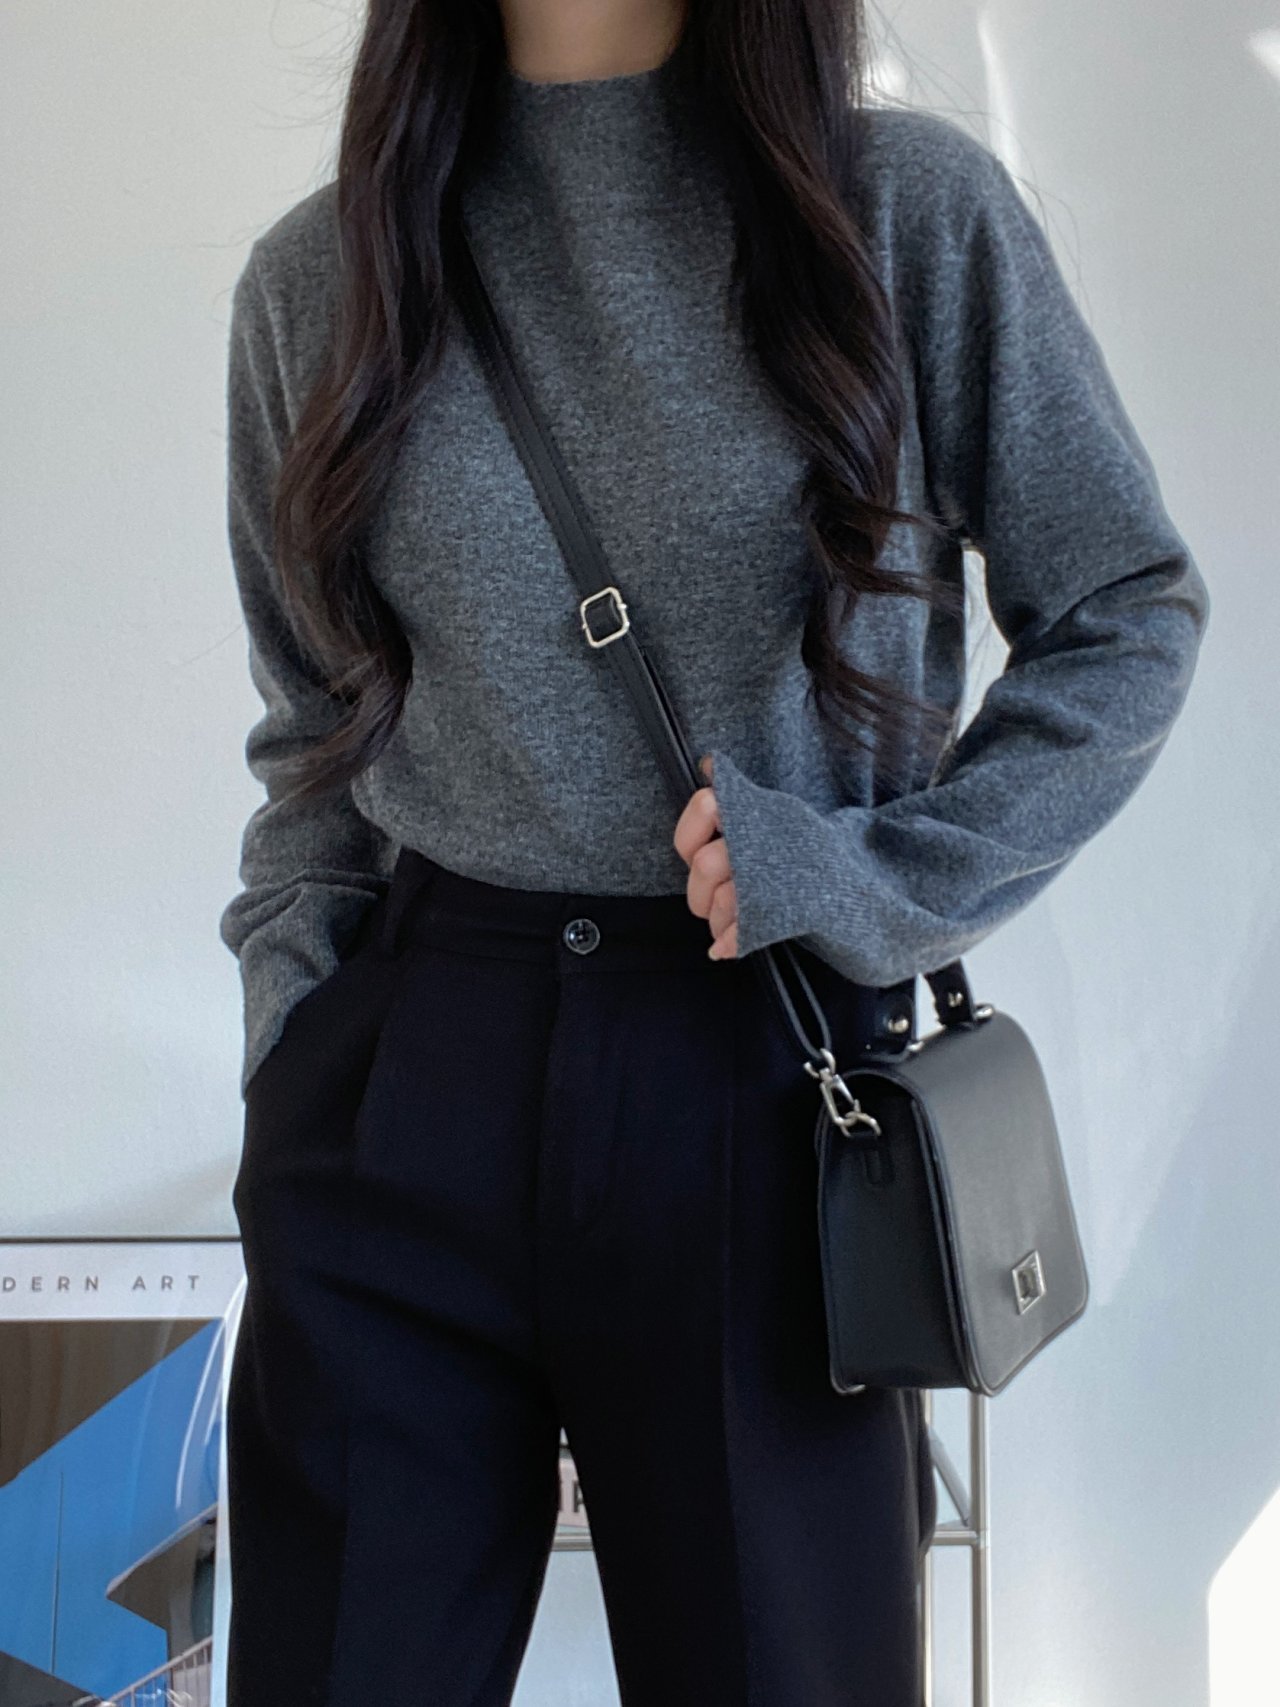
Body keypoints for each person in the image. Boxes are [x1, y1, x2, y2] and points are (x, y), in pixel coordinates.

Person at [218, 0, 1210, 1702]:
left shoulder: (900, 212)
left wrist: (873, 879)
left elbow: (1125, 609)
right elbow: (316, 730)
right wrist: (293, 1041)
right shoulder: (323, 277)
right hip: (412, 1072)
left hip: (758, 1072)